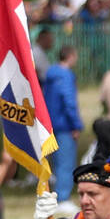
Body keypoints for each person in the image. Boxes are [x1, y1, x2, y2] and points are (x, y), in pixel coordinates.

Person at [43, 46, 83, 201]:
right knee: (66, 163)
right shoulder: (66, 76)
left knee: (56, 162)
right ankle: (62, 197)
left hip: (51, 124)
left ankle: (53, 193)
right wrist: (76, 125)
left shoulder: (50, 74)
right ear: (71, 56)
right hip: (65, 125)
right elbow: (69, 102)